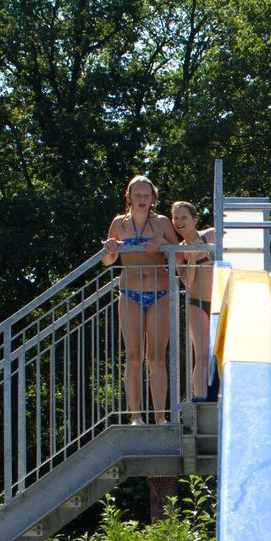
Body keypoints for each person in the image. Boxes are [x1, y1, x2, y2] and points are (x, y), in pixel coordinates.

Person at [103, 174, 180, 423]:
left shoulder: (162, 222)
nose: (142, 199)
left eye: (147, 195)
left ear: (153, 199)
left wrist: (163, 243)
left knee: (157, 357)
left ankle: (160, 416)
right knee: (134, 357)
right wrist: (112, 248)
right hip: (129, 293)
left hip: (159, 293)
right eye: (137, 195)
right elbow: (107, 261)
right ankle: (135, 416)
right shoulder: (119, 223)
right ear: (128, 197)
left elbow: (179, 257)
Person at [172, 200, 216, 399]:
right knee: (202, 357)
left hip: (220, 304)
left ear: (195, 219)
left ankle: (223, 396)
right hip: (197, 304)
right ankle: (200, 400)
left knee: (222, 355)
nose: (179, 221)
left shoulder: (211, 235)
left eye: (183, 217)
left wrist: (206, 250)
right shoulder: (178, 250)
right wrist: (192, 256)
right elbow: (187, 281)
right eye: (175, 217)